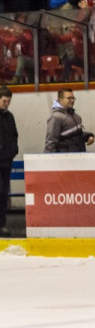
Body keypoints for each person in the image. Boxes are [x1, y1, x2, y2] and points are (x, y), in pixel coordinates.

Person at [0, 86, 18, 237]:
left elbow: (14, 135)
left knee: (3, 194)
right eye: (5, 101)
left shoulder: (9, 116)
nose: (7, 104)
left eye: (9, 101)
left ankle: (2, 224)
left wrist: (13, 151)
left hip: (6, 162)